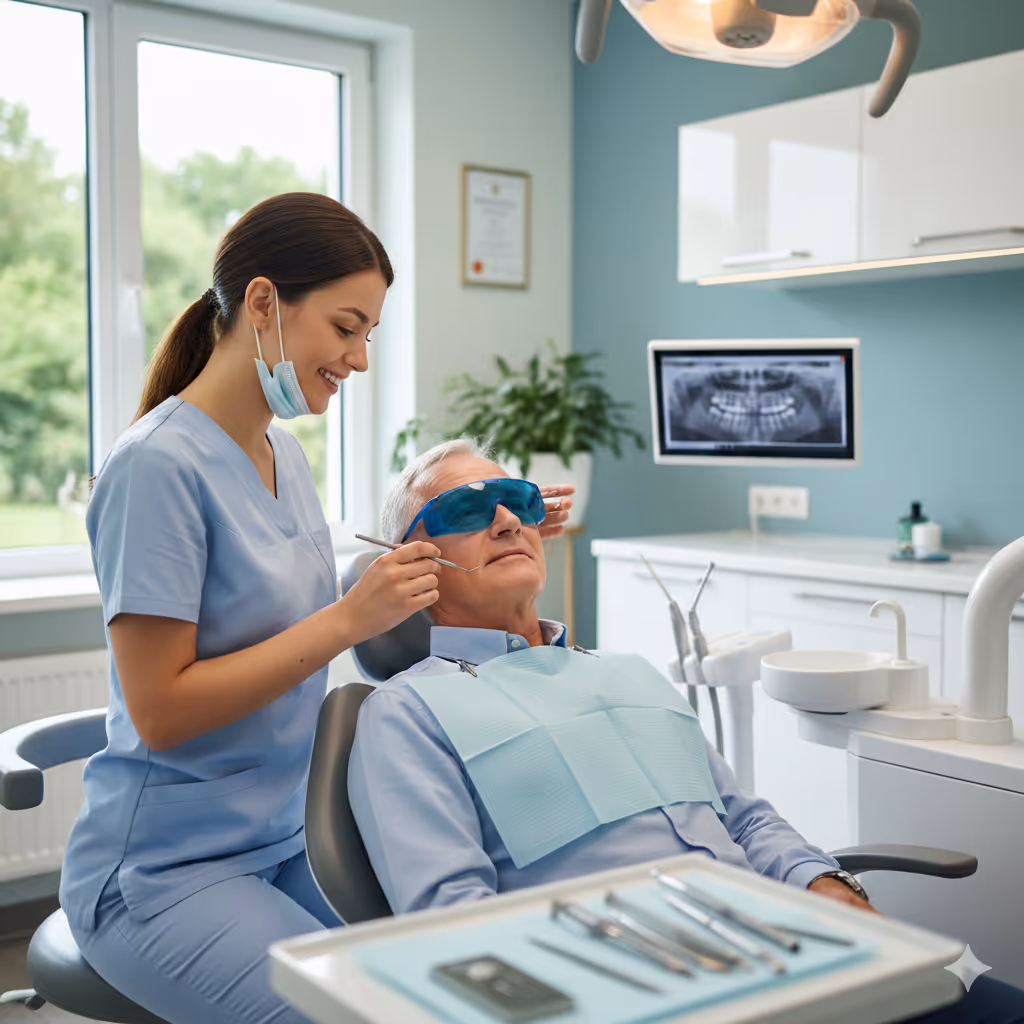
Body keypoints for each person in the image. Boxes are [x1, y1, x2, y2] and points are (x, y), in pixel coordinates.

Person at [58, 192, 575, 1024]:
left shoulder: (280, 457)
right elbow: (159, 712)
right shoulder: (155, 469)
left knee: (451, 993)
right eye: (345, 328)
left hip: (285, 840)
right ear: (263, 303)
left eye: (367, 336)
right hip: (164, 873)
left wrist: (495, 522)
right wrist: (345, 621)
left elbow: (303, 613)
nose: (359, 359)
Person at [349, 439, 1024, 1024]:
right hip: (657, 990)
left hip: (806, 954)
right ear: (413, 564)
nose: (504, 521)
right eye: (466, 510)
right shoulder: (408, 715)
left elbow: (745, 821)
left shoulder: (627, 670)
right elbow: (457, 929)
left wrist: (835, 894)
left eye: (517, 500)